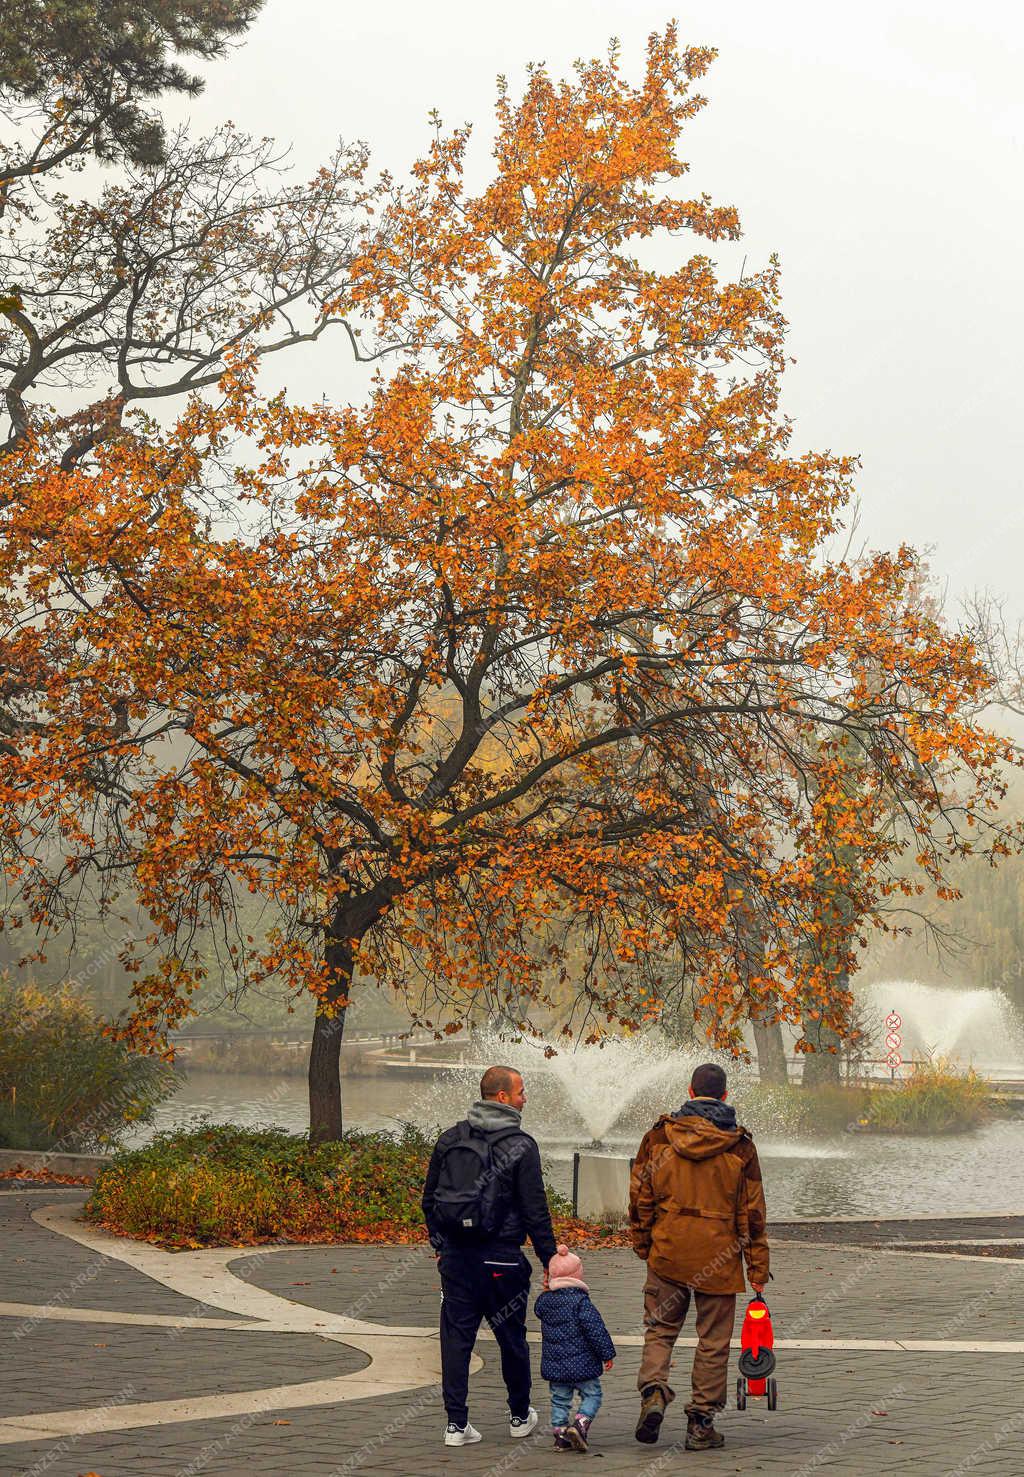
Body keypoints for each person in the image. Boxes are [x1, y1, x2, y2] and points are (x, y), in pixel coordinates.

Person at [628, 1061, 770, 1452]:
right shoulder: (740, 1146)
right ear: (725, 1096)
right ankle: (701, 1424)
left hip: (668, 1253)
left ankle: (654, 1392)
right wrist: (758, 1266)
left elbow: (639, 1195)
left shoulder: (659, 1137)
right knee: (713, 1342)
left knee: (659, 1329)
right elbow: (754, 1212)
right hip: (720, 1258)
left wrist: (644, 1243)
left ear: (690, 1092)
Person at [422, 1064, 558, 1447]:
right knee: (511, 1338)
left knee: (456, 1338)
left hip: (457, 1260)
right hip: (502, 1261)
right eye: (520, 1091)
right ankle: (519, 1415)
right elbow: (535, 1211)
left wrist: (441, 1245)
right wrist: (551, 1262)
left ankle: (456, 1425)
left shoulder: (450, 1139)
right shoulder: (521, 1145)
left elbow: (429, 1199)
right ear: (502, 1097)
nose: (524, 1098)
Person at [534, 1241, 616, 1452]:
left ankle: (561, 1436)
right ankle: (580, 1423)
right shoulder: (581, 1302)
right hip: (583, 1364)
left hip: (556, 1367)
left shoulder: (545, 1302)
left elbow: (538, 1308)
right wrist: (607, 1354)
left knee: (560, 1399)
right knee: (593, 1394)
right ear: (577, 1276)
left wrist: (547, 1286)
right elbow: (596, 1331)